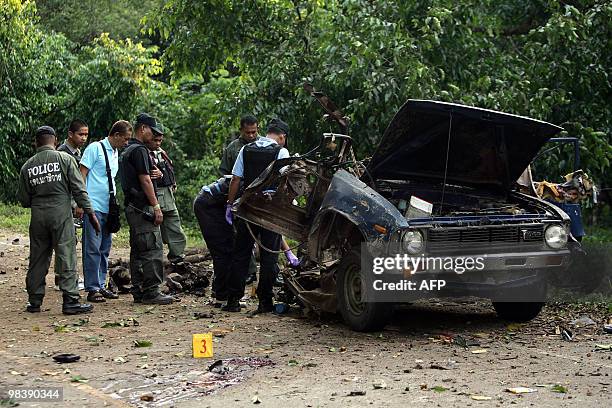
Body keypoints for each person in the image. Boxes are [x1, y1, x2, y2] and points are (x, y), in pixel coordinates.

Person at [17, 126, 100, 315]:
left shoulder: (27, 166)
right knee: (66, 255)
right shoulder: (65, 159)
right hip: (61, 214)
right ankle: (70, 301)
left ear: (36, 143)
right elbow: (79, 189)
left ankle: (34, 301)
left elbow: (23, 199)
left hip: (38, 217)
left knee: (37, 258)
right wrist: (91, 213)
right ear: (55, 141)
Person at [223, 118, 291, 314]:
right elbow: (285, 182)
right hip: (269, 212)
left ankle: (233, 300)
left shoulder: (246, 149)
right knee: (269, 256)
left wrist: (230, 204)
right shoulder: (281, 152)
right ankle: (265, 302)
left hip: (248, 209)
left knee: (241, 254)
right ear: (281, 137)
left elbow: (236, 179)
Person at [119, 113, 173, 305]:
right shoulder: (140, 150)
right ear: (143, 129)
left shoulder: (127, 149)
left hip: (133, 206)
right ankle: (151, 291)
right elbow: (145, 179)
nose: (155, 136)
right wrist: (156, 207)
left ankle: (139, 290)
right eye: (153, 132)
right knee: (152, 248)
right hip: (143, 207)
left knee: (138, 249)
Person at [79, 120, 131, 303]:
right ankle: (92, 288)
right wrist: (81, 203)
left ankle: (101, 284)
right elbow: (82, 174)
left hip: (109, 207)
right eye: (125, 139)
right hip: (93, 206)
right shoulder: (95, 148)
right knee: (92, 247)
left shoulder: (116, 152)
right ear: (116, 135)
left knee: (104, 248)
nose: (126, 143)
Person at [54, 119, 89, 290]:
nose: (83, 138)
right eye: (80, 134)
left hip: (72, 202)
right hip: (65, 202)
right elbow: (67, 183)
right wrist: (77, 203)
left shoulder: (77, 152)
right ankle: (65, 277)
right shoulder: (62, 153)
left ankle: (63, 276)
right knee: (66, 241)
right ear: (70, 134)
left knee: (70, 240)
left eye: (85, 134)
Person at [147, 133, 187, 264]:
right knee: (152, 233)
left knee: (175, 228)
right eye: (155, 140)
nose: (158, 143)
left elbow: (169, 172)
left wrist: (162, 174)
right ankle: (153, 263)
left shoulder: (161, 153)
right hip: (153, 197)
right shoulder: (143, 153)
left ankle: (177, 258)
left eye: (160, 141)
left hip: (167, 195)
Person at [193, 176, 233, 306]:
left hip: (216, 203)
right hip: (208, 204)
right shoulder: (254, 182)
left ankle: (218, 290)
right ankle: (222, 296)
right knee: (223, 251)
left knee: (227, 249)